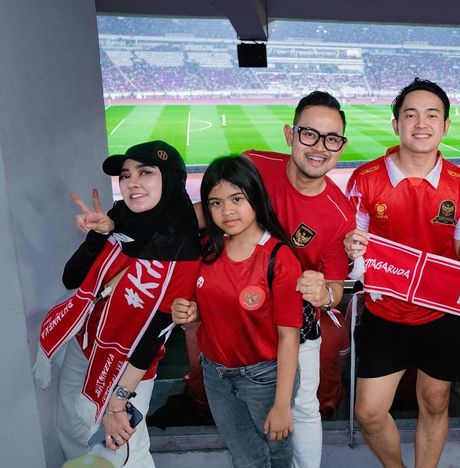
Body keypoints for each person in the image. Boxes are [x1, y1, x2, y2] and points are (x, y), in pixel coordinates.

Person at [191, 91, 354, 468]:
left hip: (292, 325)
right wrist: (127, 229)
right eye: (309, 134)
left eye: (332, 139)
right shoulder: (254, 165)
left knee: (302, 407)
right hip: (240, 320)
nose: (319, 147)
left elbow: (333, 289)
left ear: (341, 146)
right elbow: (202, 214)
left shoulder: (338, 213)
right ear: (289, 134)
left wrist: (323, 293)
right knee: (244, 425)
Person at [343, 78, 460, 467]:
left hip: (442, 310)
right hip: (384, 311)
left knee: (435, 401)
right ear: (395, 125)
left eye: (431, 115)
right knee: (369, 412)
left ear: (445, 126)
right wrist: (352, 253)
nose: (420, 124)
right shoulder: (366, 178)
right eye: (410, 114)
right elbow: (353, 245)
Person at [35, 140, 201, 467]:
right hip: (83, 347)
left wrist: (117, 402)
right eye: (125, 176)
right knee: (73, 433)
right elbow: (72, 279)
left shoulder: (183, 248)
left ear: (170, 178)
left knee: (124, 452)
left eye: (145, 173)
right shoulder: (119, 218)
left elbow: (154, 335)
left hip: (127, 368)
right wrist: (99, 235)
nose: (132, 182)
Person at [172, 156, 302, 467]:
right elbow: (211, 308)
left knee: (278, 455)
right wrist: (192, 313)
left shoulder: (280, 259)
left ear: (255, 197)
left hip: (265, 378)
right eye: (215, 203)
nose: (227, 211)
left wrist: (282, 404)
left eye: (237, 199)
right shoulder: (207, 248)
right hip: (216, 374)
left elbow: (288, 338)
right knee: (245, 456)